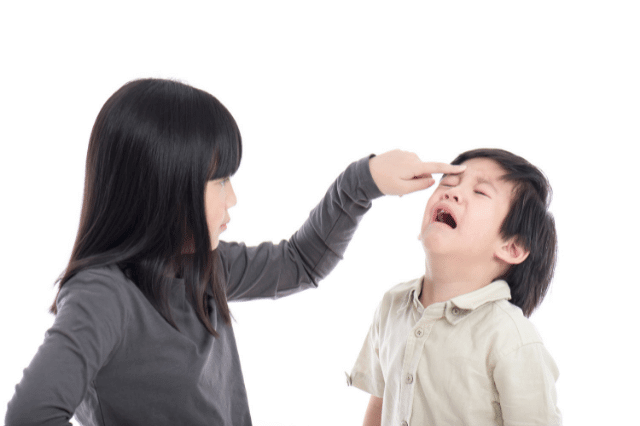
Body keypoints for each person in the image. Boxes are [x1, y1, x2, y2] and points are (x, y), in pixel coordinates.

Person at [4, 78, 465, 426]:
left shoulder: (203, 265)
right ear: (163, 187)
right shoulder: (104, 294)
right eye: (220, 181)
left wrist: (364, 181)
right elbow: (30, 415)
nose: (233, 199)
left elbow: (299, 264)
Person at [348, 148, 562, 425]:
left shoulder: (510, 338)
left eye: (480, 192)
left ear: (512, 246)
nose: (451, 192)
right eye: (447, 183)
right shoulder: (393, 304)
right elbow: (379, 405)